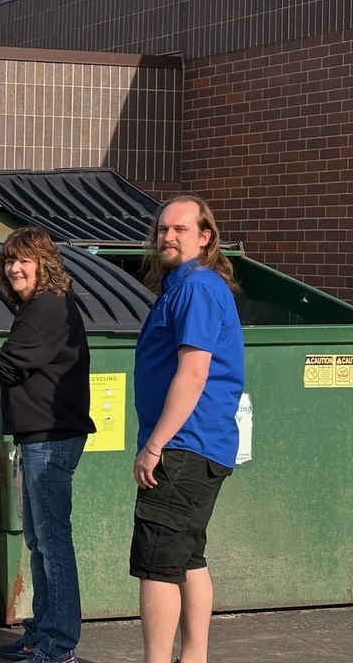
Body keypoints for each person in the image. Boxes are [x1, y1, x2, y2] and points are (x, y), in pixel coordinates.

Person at [0, 226, 94, 663]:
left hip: (51, 439)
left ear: (43, 265)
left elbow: (5, 367)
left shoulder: (47, 308)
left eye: (23, 260)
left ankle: (59, 644)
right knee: (38, 539)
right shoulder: (41, 309)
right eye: (9, 261)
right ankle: (42, 632)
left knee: (51, 542)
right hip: (41, 436)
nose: (14, 268)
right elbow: (24, 373)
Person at [131, 193, 243, 663]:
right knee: (187, 557)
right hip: (198, 446)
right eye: (163, 229)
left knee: (157, 563)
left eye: (180, 229)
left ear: (205, 237)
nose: (168, 237)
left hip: (182, 446)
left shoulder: (196, 287)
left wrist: (155, 444)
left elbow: (194, 373)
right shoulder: (185, 286)